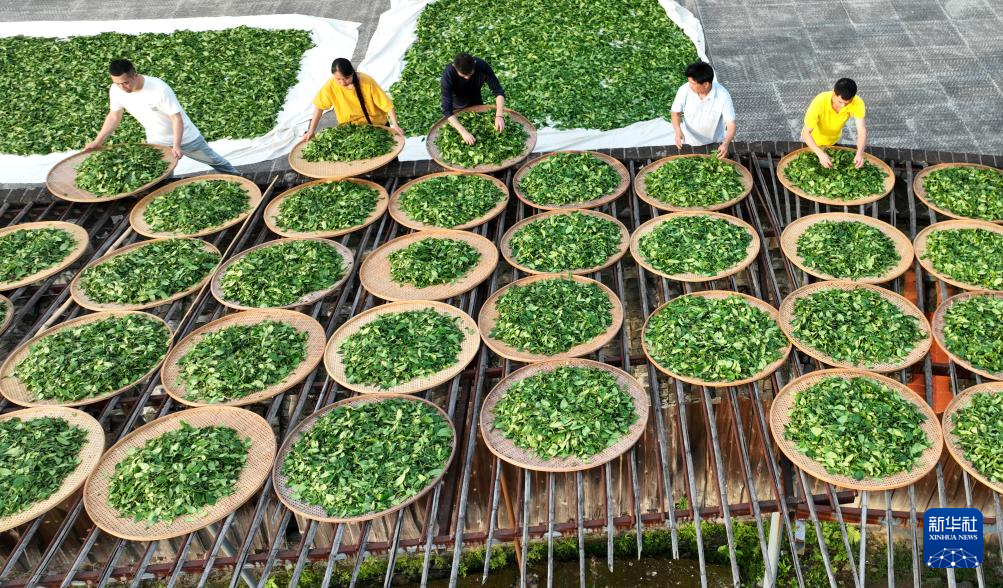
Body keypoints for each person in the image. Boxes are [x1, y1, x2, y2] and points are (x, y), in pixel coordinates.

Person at [84, 59, 238, 175]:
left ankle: (242, 180)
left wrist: (176, 145)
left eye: (125, 83)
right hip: (157, 140)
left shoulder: (159, 89)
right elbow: (113, 117)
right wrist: (98, 141)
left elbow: (176, 118)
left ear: (135, 75)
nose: (121, 87)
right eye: (117, 83)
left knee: (216, 162)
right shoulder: (116, 90)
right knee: (161, 174)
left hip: (186, 138)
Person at [303, 58, 400, 141]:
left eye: (346, 78)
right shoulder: (331, 85)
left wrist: (395, 125)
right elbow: (319, 107)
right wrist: (311, 130)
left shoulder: (367, 82)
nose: (342, 82)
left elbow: (387, 105)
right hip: (351, 130)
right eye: (338, 79)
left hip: (377, 126)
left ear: (352, 73)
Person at [670, 61, 736, 158]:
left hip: (715, 142)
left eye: (693, 83)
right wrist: (677, 131)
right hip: (690, 141)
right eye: (689, 82)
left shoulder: (723, 95)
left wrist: (725, 144)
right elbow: (675, 112)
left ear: (705, 84)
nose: (689, 85)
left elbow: (731, 124)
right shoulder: (684, 90)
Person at [440, 53, 506, 145]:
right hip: (458, 101)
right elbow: (447, 110)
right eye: (463, 75)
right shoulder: (448, 75)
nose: (467, 77)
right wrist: (463, 132)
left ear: (474, 63)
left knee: (480, 123)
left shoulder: (482, 66)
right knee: (459, 129)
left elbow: (498, 91)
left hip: (475, 97)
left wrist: (499, 116)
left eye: (471, 74)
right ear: (454, 66)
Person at [801, 78, 867, 168]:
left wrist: (859, 154)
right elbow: (806, 133)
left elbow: (861, 131)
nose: (843, 106)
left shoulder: (857, 103)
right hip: (812, 142)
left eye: (847, 103)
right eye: (840, 101)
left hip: (833, 141)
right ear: (833, 93)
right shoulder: (820, 101)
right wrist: (820, 154)